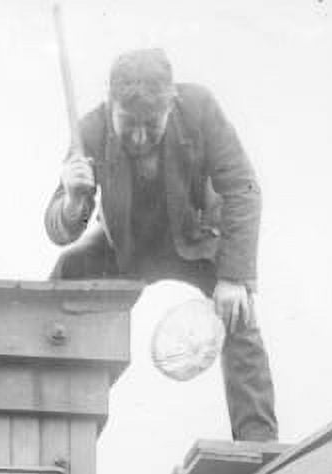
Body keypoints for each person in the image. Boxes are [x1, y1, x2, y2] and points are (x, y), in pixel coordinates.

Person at [45, 47, 279, 443]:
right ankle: (55, 422)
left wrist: (235, 278)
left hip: (192, 240)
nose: (138, 137)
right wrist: (72, 200)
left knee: (239, 308)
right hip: (126, 249)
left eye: (150, 125)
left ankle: (258, 441)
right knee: (69, 270)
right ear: (110, 106)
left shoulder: (200, 108)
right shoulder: (89, 130)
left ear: (171, 105)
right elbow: (57, 228)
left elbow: (242, 188)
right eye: (128, 124)